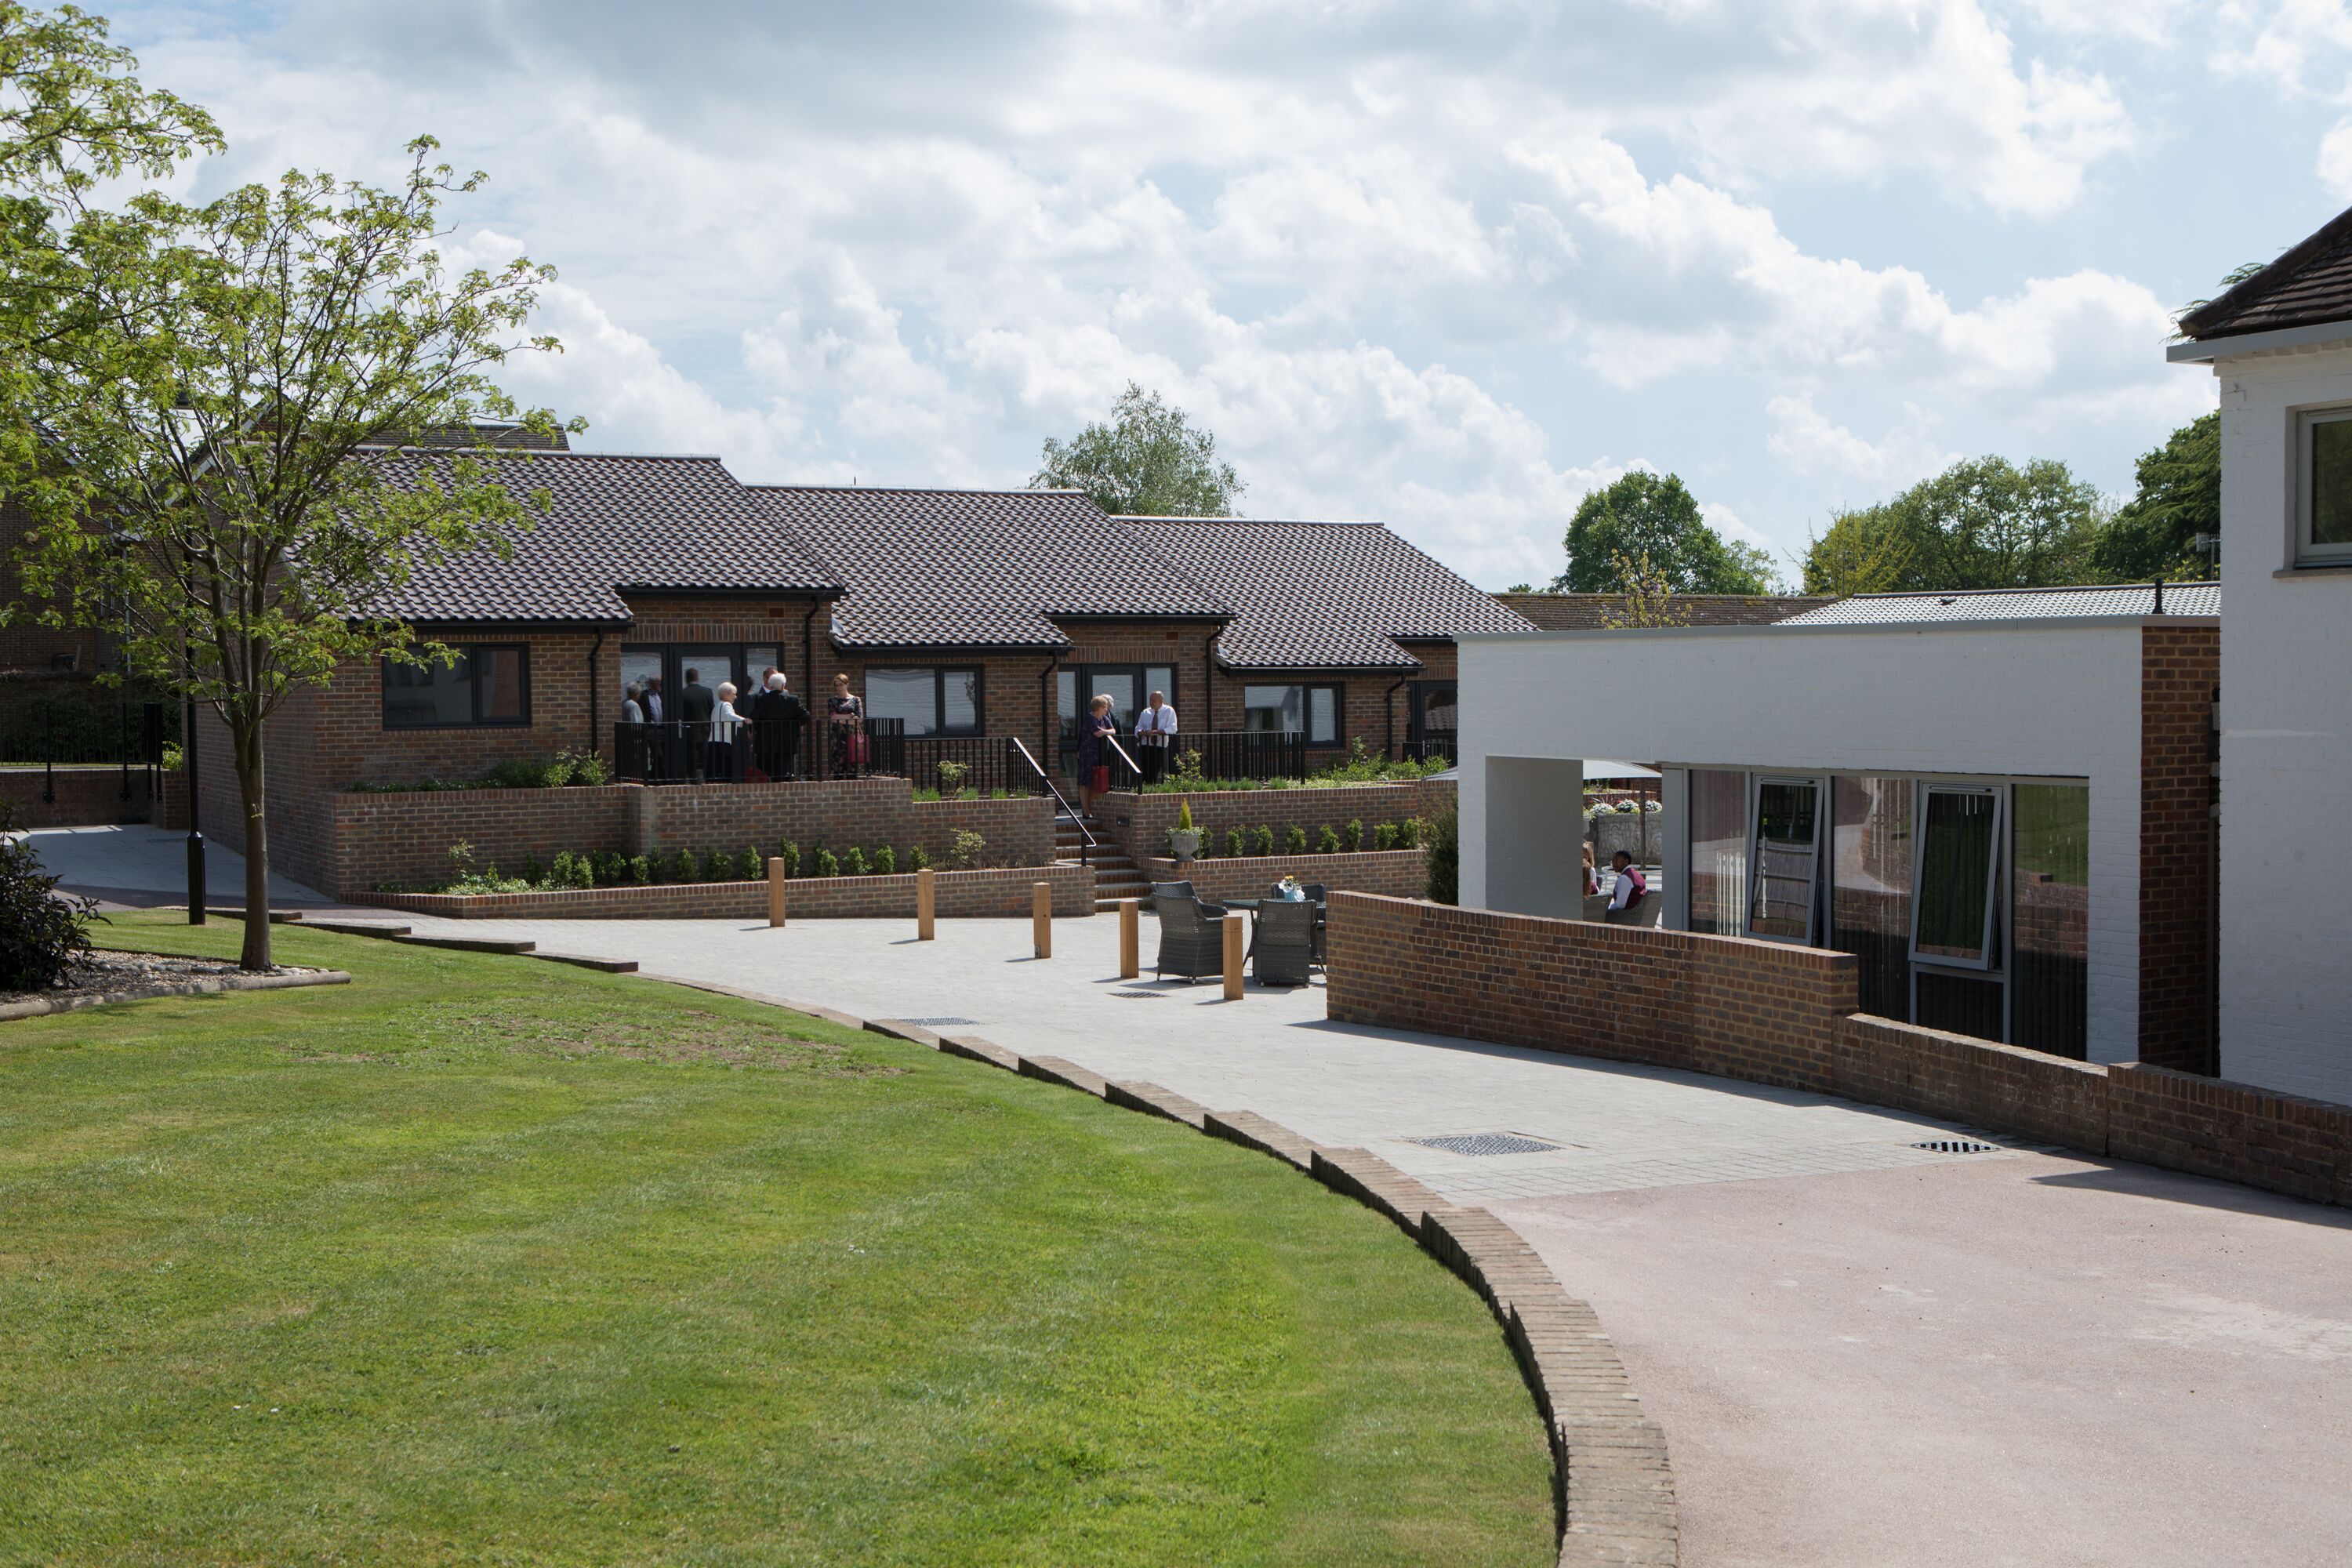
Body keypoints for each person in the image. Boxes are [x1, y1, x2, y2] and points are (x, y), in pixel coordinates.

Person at [750, 670, 808, 781]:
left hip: (765, 742)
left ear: (771, 686)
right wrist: (799, 725)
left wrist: (752, 730)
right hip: (786, 742)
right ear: (783, 685)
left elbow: (754, 717)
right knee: (782, 772)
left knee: (764, 773)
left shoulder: (761, 699)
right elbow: (806, 715)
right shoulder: (792, 699)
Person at [1076, 693, 1116, 813]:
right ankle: (1085, 810)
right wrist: (1105, 732)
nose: (1107, 709)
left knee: (1094, 782)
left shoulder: (1105, 719)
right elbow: (1097, 733)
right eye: (1105, 707)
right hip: (1087, 754)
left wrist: (1105, 732)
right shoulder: (1089, 719)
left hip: (1099, 754)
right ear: (1099, 707)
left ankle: (1091, 809)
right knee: (1085, 782)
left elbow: (1113, 730)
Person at [1133, 688, 1177, 784]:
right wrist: (1141, 732)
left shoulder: (1169, 711)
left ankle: (1151, 789)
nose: (1151, 703)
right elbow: (1137, 729)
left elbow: (1173, 729)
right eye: (1150, 700)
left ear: (1161, 701)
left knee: (1155, 770)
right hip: (1145, 745)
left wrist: (1154, 732)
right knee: (1144, 770)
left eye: (1153, 701)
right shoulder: (1145, 712)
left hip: (1160, 746)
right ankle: (1144, 788)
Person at [680, 668, 716, 779]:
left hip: (689, 729)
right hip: (705, 729)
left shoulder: (683, 693)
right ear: (697, 678)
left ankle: (693, 778)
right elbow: (712, 711)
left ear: (686, 679)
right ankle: (707, 777)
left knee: (690, 755)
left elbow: (681, 713)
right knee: (705, 755)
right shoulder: (708, 691)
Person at [827, 672, 864, 776]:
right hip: (837, 738)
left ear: (847, 684)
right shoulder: (832, 701)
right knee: (837, 770)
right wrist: (849, 717)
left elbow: (859, 719)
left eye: (841, 685)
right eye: (837, 685)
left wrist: (841, 718)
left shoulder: (856, 700)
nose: (839, 687)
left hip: (852, 737)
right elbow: (833, 718)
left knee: (852, 770)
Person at [710, 681, 742, 780]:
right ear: (725, 694)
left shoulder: (717, 706)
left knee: (716, 773)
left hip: (715, 742)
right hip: (723, 743)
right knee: (725, 773)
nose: (735, 697)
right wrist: (744, 720)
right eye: (733, 694)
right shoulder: (726, 705)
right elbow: (730, 716)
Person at [1604, 849, 1648, 924]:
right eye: (1612, 862)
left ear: (1626, 861)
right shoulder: (1637, 875)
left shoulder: (1625, 878)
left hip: (1627, 918)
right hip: (1638, 916)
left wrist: (1607, 909)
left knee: (1598, 916)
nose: (1614, 864)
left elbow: (1620, 905)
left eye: (1617, 861)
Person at [640, 676, 668, 779]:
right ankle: (660, 778)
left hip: (662, 729)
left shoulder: (662, 695)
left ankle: (655, 778)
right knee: (658, 754)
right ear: (651, 683)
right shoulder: (644, 695)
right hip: (651, 730)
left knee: (661, 755)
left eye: (661, 682)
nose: (660, 684)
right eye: (658, 682)